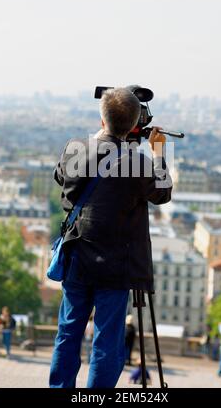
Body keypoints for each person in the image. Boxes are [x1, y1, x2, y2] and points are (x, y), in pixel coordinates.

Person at [49, 87, 172, 388]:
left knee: (68, 333)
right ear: (134, 125)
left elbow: (60, 178)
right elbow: (163, 193)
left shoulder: (74, 148)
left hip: (77, 255)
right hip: (117, 265)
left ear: (101, 117)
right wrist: (158, 154)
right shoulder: (139, 162)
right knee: (107, 341)